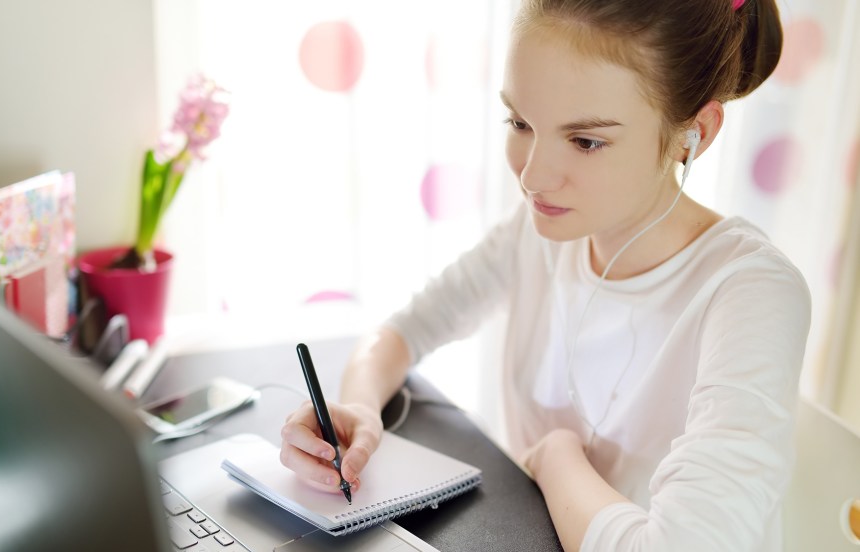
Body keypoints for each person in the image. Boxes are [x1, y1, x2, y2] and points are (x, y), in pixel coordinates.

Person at [280, 0, 811, 550]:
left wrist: (556, 457)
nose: (532, 176)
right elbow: (405, 330)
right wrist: (360, 409)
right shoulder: (538, 233)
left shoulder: (750, 292)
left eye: (585, 141)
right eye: (520, 123)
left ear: (694, 132)